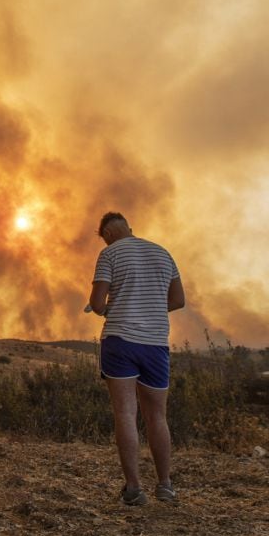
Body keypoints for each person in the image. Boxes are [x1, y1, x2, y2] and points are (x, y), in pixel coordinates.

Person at [88, 212, 185, 506]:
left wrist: (111, 308)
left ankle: (133, 489)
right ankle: (165, 485)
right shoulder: (163, 253)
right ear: (130, 227)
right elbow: (178, 300)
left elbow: (96, 303)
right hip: (155, 344)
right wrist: (150, 308)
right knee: (157, 415)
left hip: (120, 341)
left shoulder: (109, 254)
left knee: (125, 413)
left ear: (106, 234)